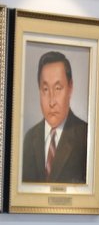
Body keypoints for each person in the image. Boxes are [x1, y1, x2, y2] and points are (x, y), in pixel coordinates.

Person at [21, 50, 88, 184]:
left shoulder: (85, 136)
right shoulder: (29, 138)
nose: (51, 102)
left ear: (70, 88)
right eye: (45, 89)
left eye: (58, 88)